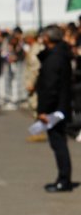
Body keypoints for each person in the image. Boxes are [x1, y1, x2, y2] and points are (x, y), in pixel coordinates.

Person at [32, 25, 73, 192]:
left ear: (47, 38)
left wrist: (43, 110)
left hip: (55, 108)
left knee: (58, 144)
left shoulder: (54, 59)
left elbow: (50, 88)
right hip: (60, 105)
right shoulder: (60, 55)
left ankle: (64, 179)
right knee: (59, 143)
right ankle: (63, 178)